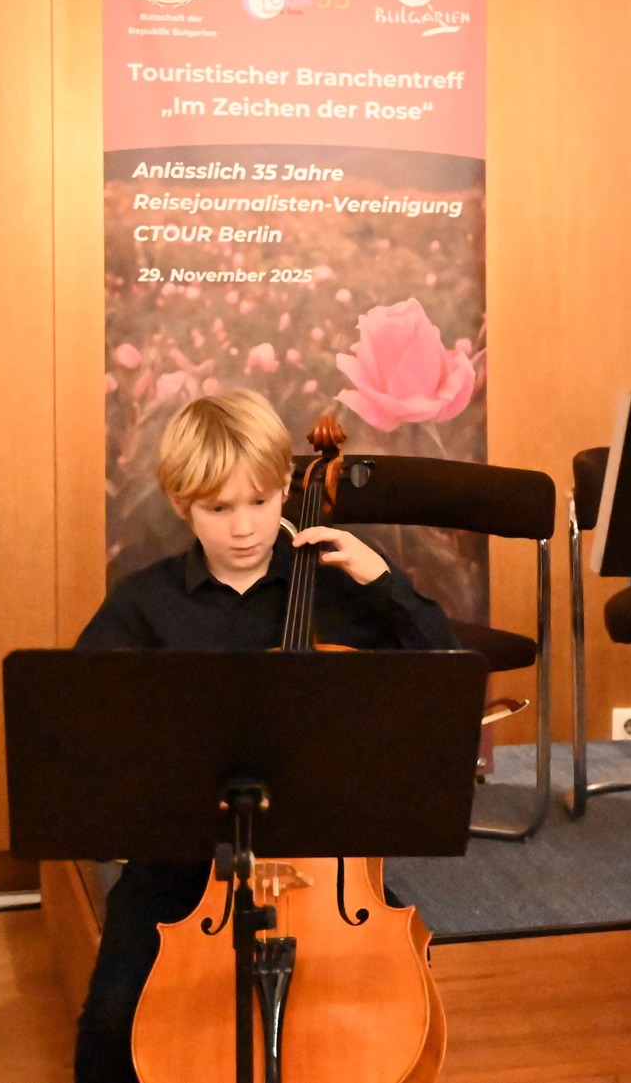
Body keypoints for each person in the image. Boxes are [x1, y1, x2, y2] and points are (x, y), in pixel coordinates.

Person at [71, 389, 458, 1083]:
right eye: (218, 509)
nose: (244, 527)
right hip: (183, 874)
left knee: (373, 1029)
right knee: (107, 1027)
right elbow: (85, 729)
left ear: (287, 485)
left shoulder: (340, 592)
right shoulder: (142, 605)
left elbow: (449, 677)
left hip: (326, 873)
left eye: (259, 500)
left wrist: (384, 583)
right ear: (181, 503)